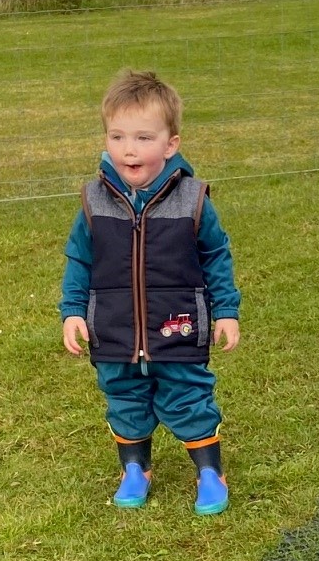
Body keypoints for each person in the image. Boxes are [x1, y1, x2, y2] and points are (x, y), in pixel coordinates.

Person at [60, 68, 240, 514]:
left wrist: (227, 311)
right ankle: (135, 468)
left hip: (177, 323)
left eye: (143, 138)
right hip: (115, 329)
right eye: (117, 136)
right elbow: (79, 259)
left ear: (170, 144)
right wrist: (73, 311)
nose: (128, 148)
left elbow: (216, 255)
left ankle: (209, 472)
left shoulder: (193, 200)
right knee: (124, 398)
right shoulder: (93, 201)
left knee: (189, 395)